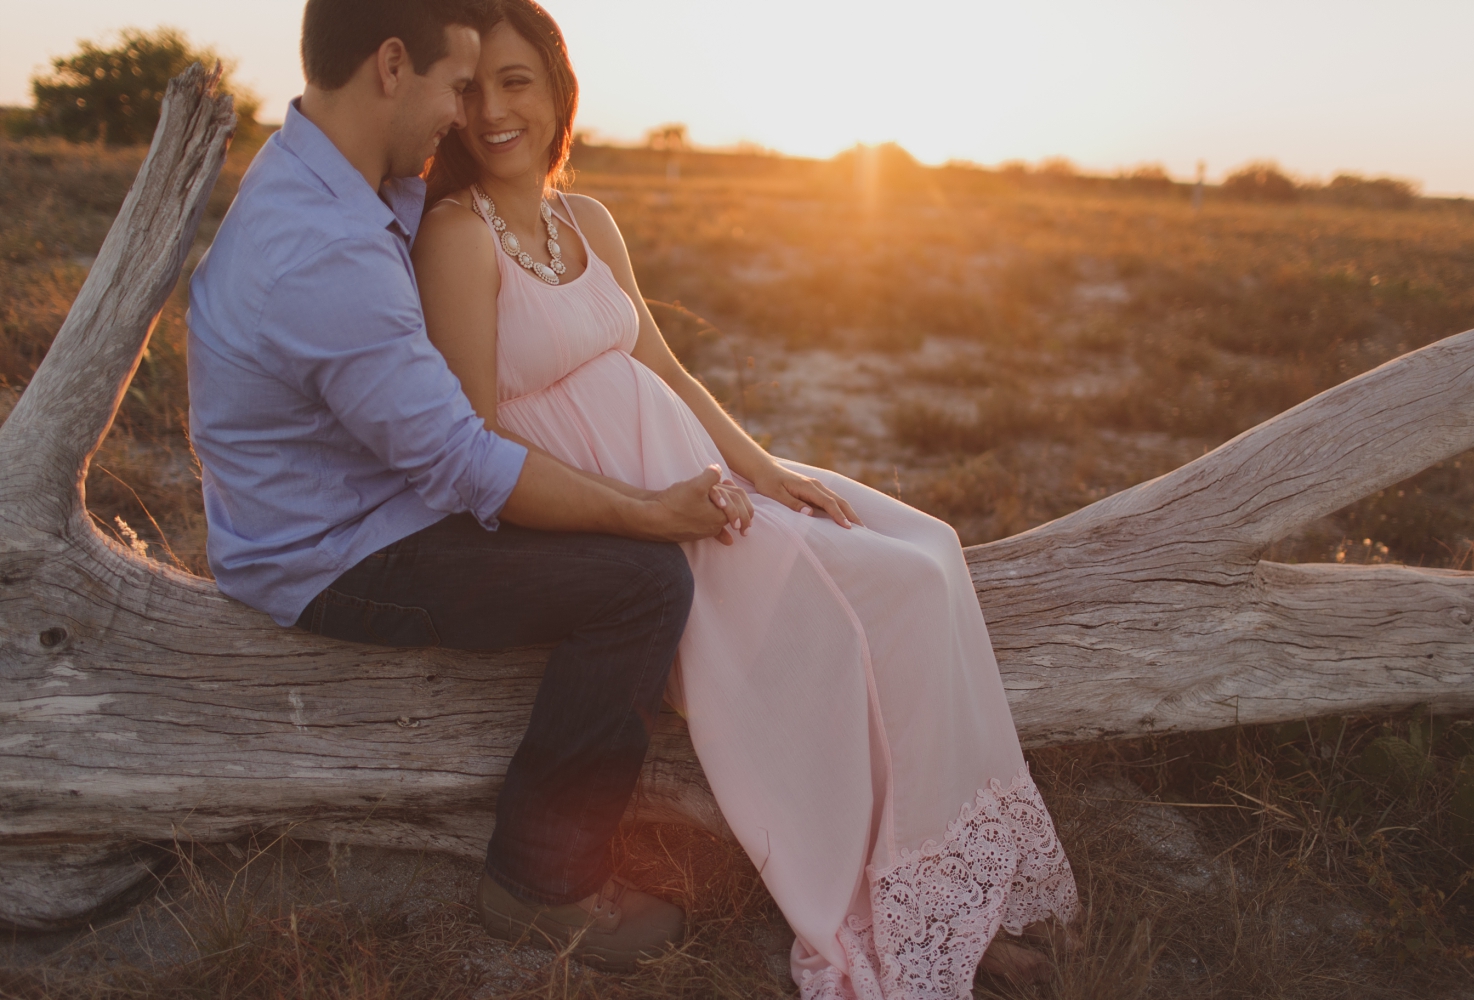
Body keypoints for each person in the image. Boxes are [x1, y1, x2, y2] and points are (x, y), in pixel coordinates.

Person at [410, 2, 1082, 997]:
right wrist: (643, 512)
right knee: (886, 601)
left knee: (930, 548)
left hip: (700, 482)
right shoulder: (455, 238)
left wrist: (765, 468)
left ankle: (947, 894)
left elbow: (664, 368)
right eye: (471, 89)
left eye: (517, 82)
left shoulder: (583, 218)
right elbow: (477, 436)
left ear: (558, 93)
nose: (494, 109)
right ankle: (903, 916)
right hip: (622, 512)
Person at [187, 0, 760, 972]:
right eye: (457, 84)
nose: (462, 113)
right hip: (334, 548)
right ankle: (543, 880)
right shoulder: (322, 245)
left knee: (627, 555)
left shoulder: (332, 173)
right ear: (391, 65)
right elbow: (462, 462)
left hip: (363, 499)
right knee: (641, 583)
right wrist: (646, 513)